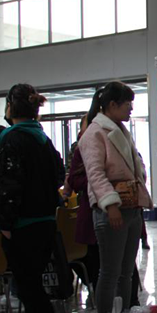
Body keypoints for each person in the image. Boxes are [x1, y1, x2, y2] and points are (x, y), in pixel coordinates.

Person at [0, 83, 64, 313]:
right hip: (46, 221)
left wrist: (6, 223)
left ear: (11, 107)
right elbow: (59, 175)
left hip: (22, 225)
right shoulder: (43, 139)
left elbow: (9, 185)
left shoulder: (12, 139)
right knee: (32, 285)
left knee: (28, 289)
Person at [80, 82, 152, 313]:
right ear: (112, 105)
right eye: (127, 104)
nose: (131, 108)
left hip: (131, 208)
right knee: (110, 272)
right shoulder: (94, 133)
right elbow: (95, 174)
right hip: (112, 210)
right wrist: (110, 205)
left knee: (126, 272)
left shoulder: (120, 130)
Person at [64, 116, 100, 291]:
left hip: (114, 210)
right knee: (92, 257)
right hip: (89, 209)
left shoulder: (113, 140)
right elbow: (72, 178)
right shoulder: (79, 148)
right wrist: (97, 181)